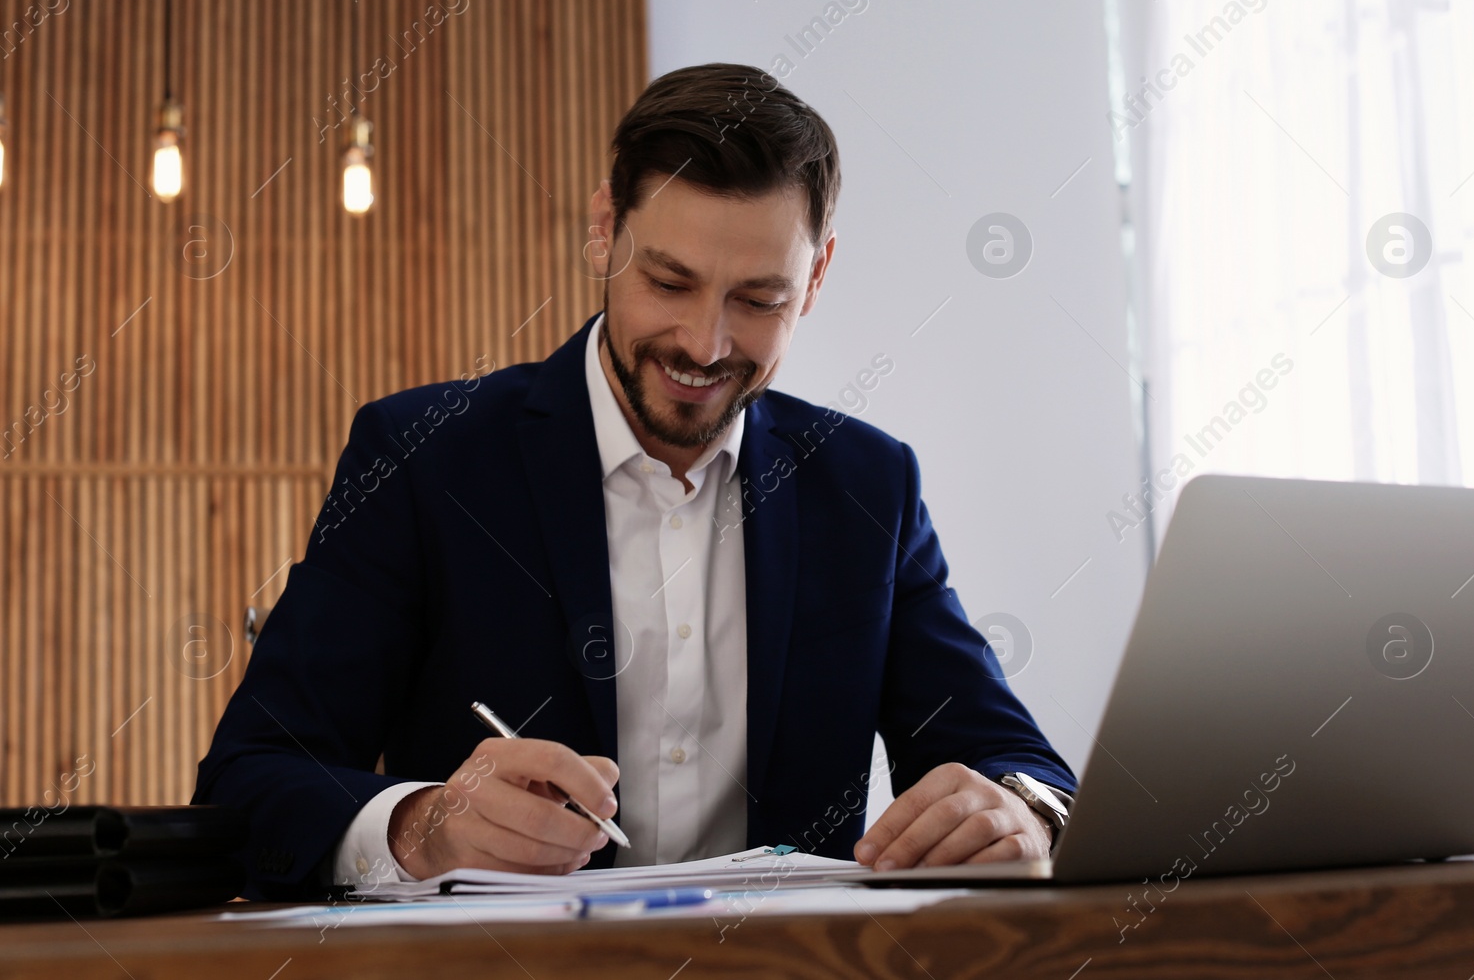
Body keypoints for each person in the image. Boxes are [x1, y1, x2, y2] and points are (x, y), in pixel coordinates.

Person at [194, 62, 1076, 900]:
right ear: (603, 230)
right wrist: (421, 828)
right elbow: (248, 785)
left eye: (759, 299)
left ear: (817, 278)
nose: (704, 343)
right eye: (668, 280)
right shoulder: (422, 456)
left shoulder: (867, 484)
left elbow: (1014, 760)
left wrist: (1022, 812)